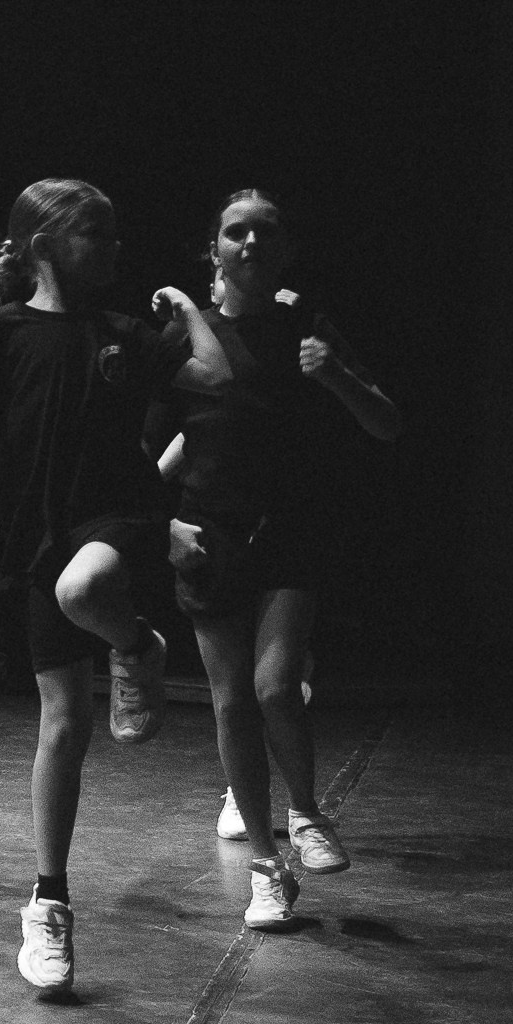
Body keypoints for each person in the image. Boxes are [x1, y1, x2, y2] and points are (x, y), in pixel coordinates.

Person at [0, 177, 231, 996]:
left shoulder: (124, 332)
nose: (113, 246)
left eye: (112, 232)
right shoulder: (2, 330)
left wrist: (189, 309)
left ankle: (137, 645)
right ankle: (49, 899)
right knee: (63, 724)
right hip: (38, 533)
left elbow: (213, 376)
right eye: (94, 233)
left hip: (119, 515)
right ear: (44, 246)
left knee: (84, 588)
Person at [160, 191, 401, 928]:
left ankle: (305, 812)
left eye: (265, 231)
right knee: (231, 700)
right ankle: (267, 869)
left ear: (286, 248)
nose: (251, 242)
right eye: (236, 231)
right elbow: (156, 445)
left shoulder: (306, 327)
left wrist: (335, 375)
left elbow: (387, 423)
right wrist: (163, 524)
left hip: (291, 530)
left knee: (274, 686)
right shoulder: (185, 338)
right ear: (215, 249)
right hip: (209, 534)